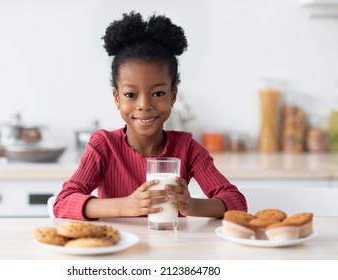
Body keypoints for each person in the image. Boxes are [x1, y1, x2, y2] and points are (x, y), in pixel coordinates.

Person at [54, 11, 247, 220]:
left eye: (158, 93)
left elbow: (236, 202)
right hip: (118, 248)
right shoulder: (103, 146)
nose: (144, 105)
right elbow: (63, 202)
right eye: (130, 94)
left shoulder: (187, 148)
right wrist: (126, 206)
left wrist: (191, 206)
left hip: (172, 249)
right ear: (117, 98)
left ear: (173, 96)